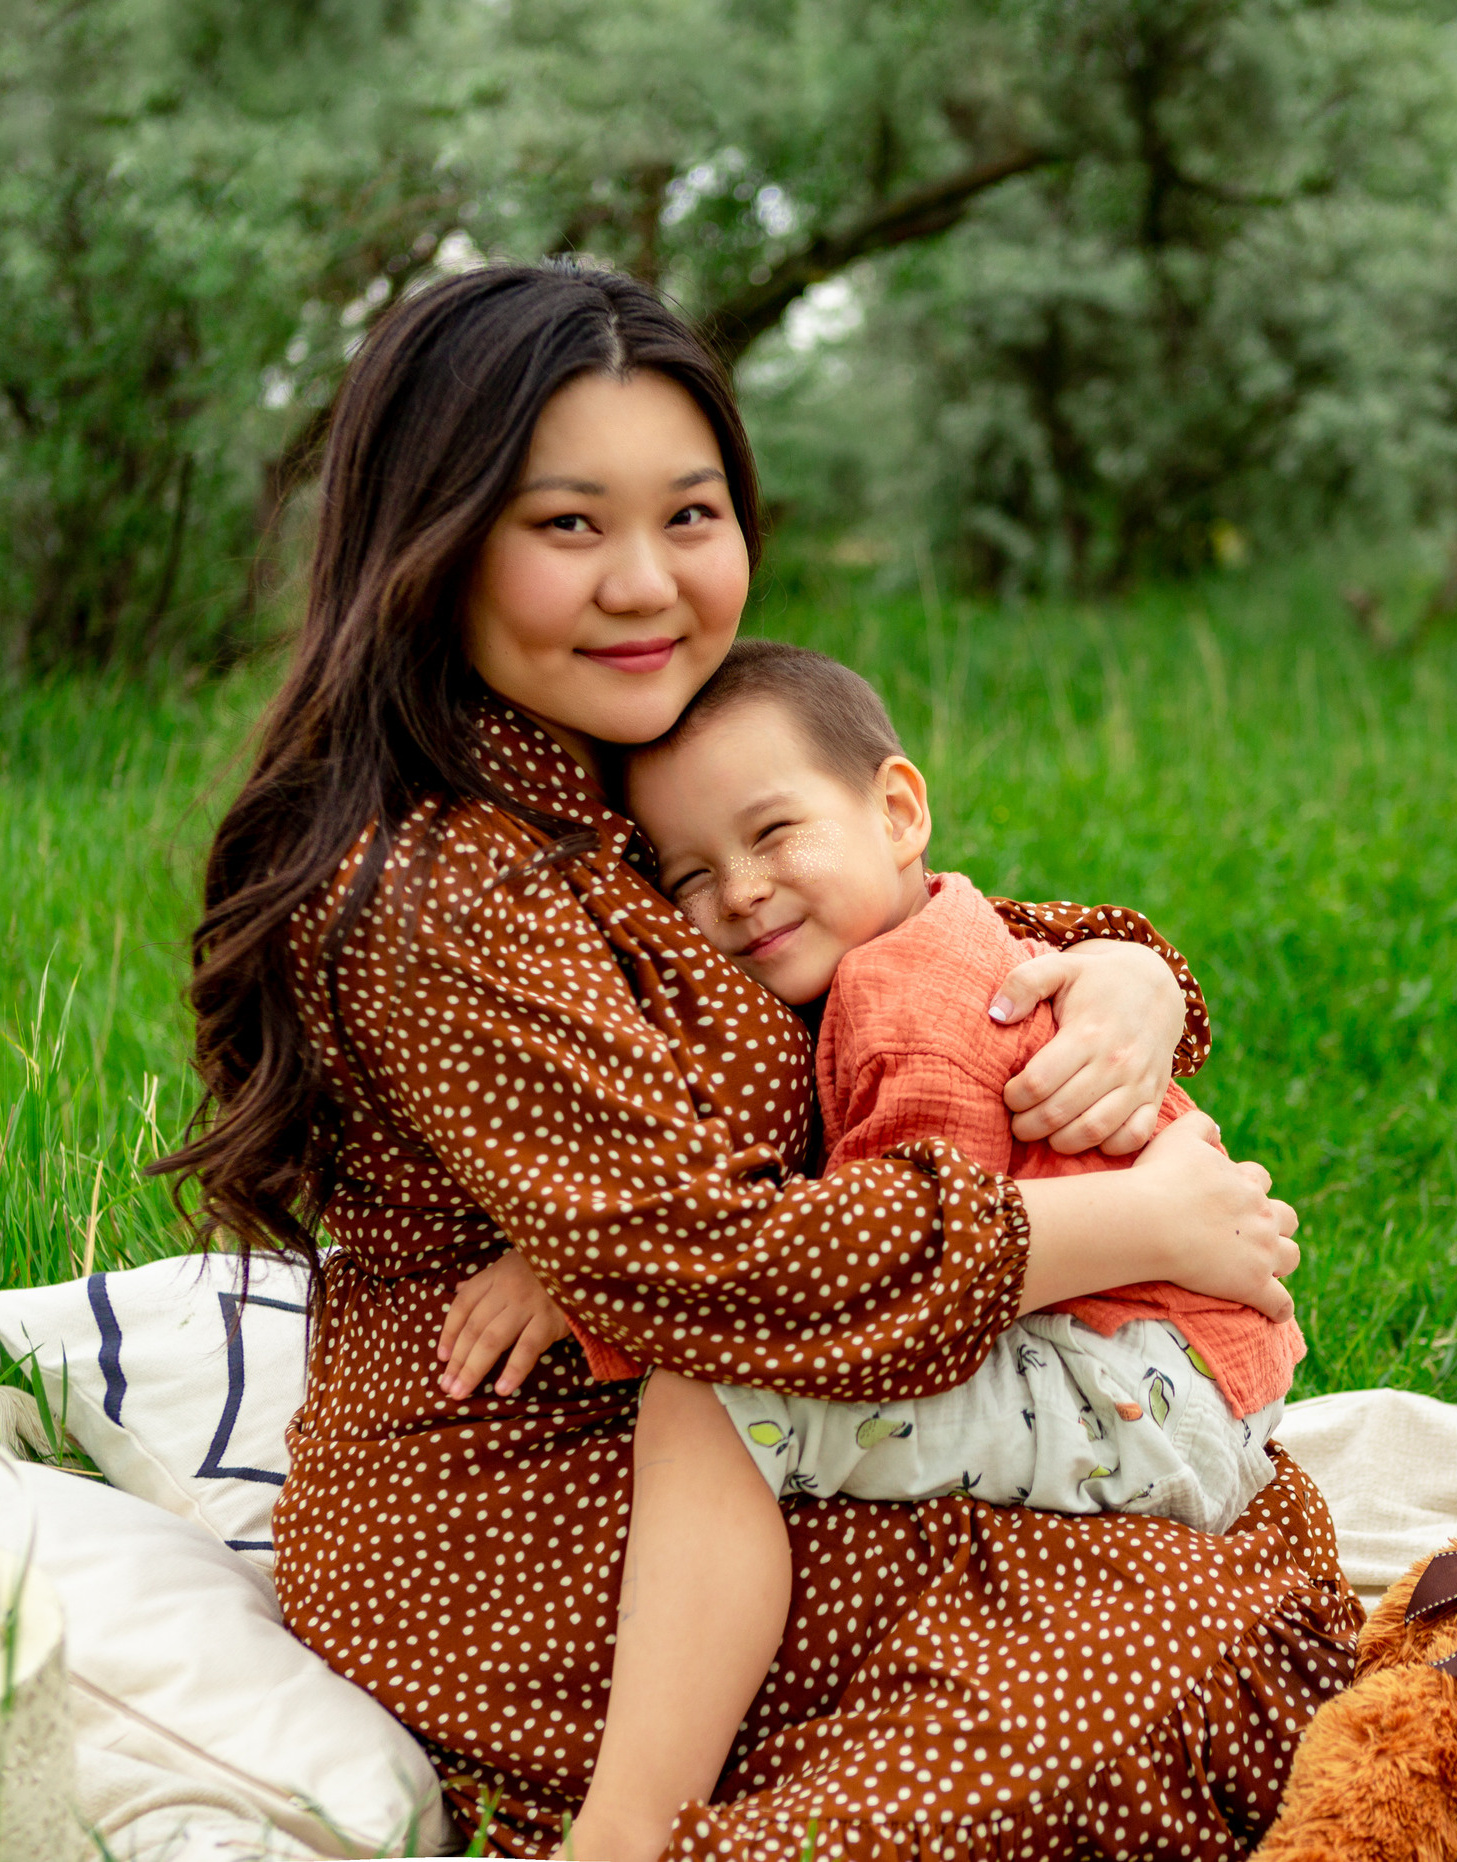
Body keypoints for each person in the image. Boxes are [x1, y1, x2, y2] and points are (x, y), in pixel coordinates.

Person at [156, 262, 1361, 1859]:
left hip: (741, 1423)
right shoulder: (441, 887)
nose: (644, 583)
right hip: (526, 1513)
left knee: (1227, 1577)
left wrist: (1128, 973)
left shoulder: (618, 762)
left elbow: (887, 934)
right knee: (1160, 1649)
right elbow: (699, 1262)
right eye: (567, 523)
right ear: (433, 540)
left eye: (691, 514)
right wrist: (1119, 1228)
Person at [440, 638, 1316, 1862]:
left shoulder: (896, 1001)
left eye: (772, 833)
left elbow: (881, 1280)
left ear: (897, 809)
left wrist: (609, 1284)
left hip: (1133, 1383)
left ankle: (623, 1826)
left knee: (710, 1398)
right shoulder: (948, 927)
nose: (740, 891)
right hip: (1188, 1367)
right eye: (689, 875)